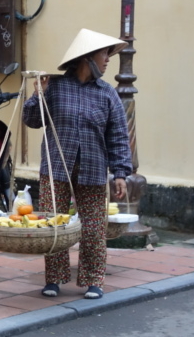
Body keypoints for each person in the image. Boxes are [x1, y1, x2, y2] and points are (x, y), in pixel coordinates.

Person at [21, 28, 133, 301]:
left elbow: (118, 135)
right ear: (87, 58)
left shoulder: (107, 94)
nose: (108, 60)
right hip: (56, 167)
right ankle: (55, 279)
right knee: (55, 226)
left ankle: (94, 279)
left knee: (94, 228)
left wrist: (120, 173)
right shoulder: (55, 86)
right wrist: (39, 94)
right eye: (104, 54)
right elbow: (32, 120)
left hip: (94, 169)